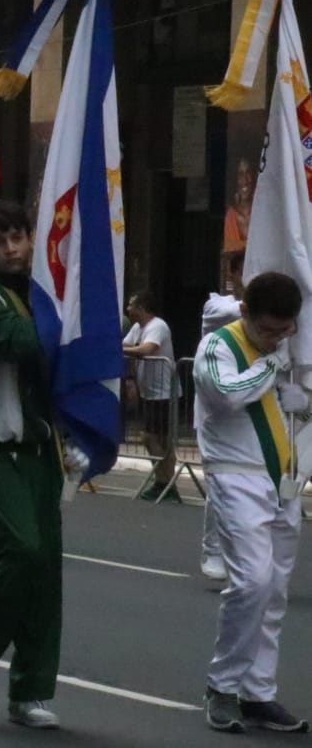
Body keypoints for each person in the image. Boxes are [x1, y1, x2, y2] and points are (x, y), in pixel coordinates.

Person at [0, 201, 72, 730]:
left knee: (45, 572)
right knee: (20, 550)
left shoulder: (51, 295)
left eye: (18, 237)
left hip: (43, 448)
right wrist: (72, 318)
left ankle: (29, 692)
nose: (10, 248)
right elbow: (23, 342)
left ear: (32, 238)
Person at [195, 271, 308, 734]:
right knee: (253, 583)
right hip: (236, 477)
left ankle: (258, 691)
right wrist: (273, 365)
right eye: (269, 330)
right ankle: (222, 686)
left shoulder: (279, 350)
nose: (278, 338)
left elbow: (275, 403)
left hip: (282, 480)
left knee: (275, 591)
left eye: (286, 330)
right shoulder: (218, 346)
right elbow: (228, 395)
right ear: (245, 314)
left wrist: (299, 399)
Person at [199, 253, 245, 583]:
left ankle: (242, 554)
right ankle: (212, 549)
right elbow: (238, 313)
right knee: (221, 479)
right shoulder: (217, 306)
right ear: (234, 273)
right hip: (216, 410)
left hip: (252, 406)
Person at [123, 291, 178, 501]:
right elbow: (128, 345)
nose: (128, 308)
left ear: (142, 307)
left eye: (131, 305)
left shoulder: (158, 326)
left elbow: (147, 349)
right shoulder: (138, 327)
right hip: (149, 391)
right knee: (153, 438)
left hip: (163, 392)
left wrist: (119, 348)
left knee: (158, 438)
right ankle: (163, 480)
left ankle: (165, 481)